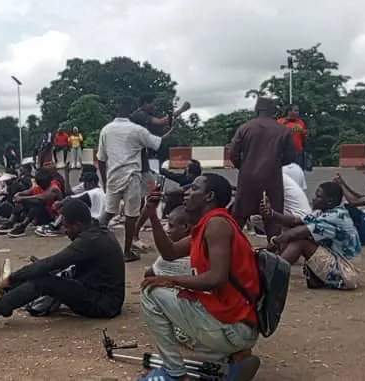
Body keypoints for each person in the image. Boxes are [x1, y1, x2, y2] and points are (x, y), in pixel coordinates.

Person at [139, 173, 260, 381]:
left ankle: (175, 374)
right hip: (236, 323)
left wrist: (171, 280)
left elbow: (217, 278)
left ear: (209, 196)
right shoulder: (206, 226)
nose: (186, 193)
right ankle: (235, 357)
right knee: (176, 324)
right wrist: (152, 214)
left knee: (150, 293)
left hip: (234, 324)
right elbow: (169, 252)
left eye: (194, 189)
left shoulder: (217, 225)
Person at [0, 199, 125, 331]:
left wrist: (13, 277)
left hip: (104, 305)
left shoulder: (89, 241)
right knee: (47, 273)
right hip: (104, 296)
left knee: (44, 281)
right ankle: (8, 299)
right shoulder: (97, 232)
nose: (64, 231)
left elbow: (53, 263)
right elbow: (58, 263)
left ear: (78, 225)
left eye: (66, 227)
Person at [97, 96, 175, 262]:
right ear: (132, 110)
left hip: (113, 176)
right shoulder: (136, 130)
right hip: (132, 176)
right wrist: (171, 131)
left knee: (109, 212)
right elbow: (159, 143)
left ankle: (92, 241)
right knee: (131, 216)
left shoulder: (106, 130)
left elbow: (101, 160)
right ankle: (126, 251)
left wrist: (104, 182)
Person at [261, 181, 361, 290]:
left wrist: (274, 241)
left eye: (318, 196)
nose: (313, 199)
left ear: (330, 201)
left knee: (300, 242)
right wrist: (271, 213)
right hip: (341, 266)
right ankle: (273, 271)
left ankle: (271, 275)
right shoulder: (324, 212)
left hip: (347, 272)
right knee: (293, 235)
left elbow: (298, 232)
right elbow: (295, 221)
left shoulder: (335, 217)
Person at [230, 97, 297, 239]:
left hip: (247, 180)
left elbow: (233, 153)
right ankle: (274, 252)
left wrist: (244, 167)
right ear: (273, 112)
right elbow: (291, 156)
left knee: (239, 217)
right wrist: (274, 164)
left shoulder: (245, 128)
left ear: (257, 110)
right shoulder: (284, 131)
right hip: (272, 180)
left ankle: (229, 249)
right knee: (272, 219)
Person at [36, 166, 105, 237]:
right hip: (101, 221)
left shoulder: (93, 192)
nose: (84, 186)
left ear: (92, 183)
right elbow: (70, 194)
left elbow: (70, 199)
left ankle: (55, 227)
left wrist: (59, 203)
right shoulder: (100, 191)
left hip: (93, 221)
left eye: (85, 183)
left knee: (70, 206)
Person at [0, 168, 62, 238]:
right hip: (41, 214)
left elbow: (42, 197)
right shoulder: (39, 186)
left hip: (53, 217)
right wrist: (18, 195)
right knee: (24, 201)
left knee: (37, 203)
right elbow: (28, 192)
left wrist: (22, 199)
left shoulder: (54, 188)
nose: (41, 186)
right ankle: (10, 222)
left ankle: (23, 226)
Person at [249, 173, 312, 237]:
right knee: (256, 218)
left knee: (266, 215)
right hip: (294, 214)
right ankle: (280, 237)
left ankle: (280, 238)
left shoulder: (274, 178)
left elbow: (273, 208)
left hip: (300, 218)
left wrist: (271, 213)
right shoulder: (276, 175)